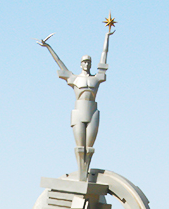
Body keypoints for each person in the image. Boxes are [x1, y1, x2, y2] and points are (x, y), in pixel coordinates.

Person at [38, 28, 114, 180]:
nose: (87, 64)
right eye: (84, 62)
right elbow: (59, 63)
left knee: (89, 148)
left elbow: (104, 57)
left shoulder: (97, 78)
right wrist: (48, 47)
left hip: (92, 112)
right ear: (80, 64)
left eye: (89, 62)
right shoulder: (74, 78)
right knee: (80, 148)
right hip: (78, 112)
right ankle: (81, 175)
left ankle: (84, 175)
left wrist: (107, 37)